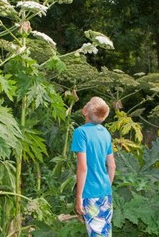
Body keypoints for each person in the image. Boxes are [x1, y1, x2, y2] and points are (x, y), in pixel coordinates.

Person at [71, 97, 116, 237]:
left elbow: (83, 168)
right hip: (106, 192)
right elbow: (112, 166)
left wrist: (78, 197)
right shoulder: (105, 133)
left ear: (85, 111)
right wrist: (105, 186)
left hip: (90, 193)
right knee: (105, 232)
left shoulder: (81, 133)